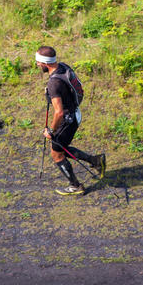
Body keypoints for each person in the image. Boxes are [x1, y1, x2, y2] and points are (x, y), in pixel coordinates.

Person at [36, 45, 105, 196]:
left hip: (67, 121)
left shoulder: (53, 83)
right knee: (61, 148)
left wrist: (51, 131)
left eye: (38, 62)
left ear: (45, 63)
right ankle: (95, 161)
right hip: (75, 113)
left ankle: (75, 186)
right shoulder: (63, 67)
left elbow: (59, 112)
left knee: (57, 154)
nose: (37, 64)